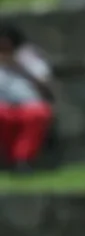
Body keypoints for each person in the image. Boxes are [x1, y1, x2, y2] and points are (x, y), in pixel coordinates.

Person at [0, 24, 53, 172]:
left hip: (29, 104)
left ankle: (22, 160)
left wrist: (17, 64)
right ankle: (8, 159)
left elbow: (43, 80)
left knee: (38, 114)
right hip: (3, 106)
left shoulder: (29, 56)